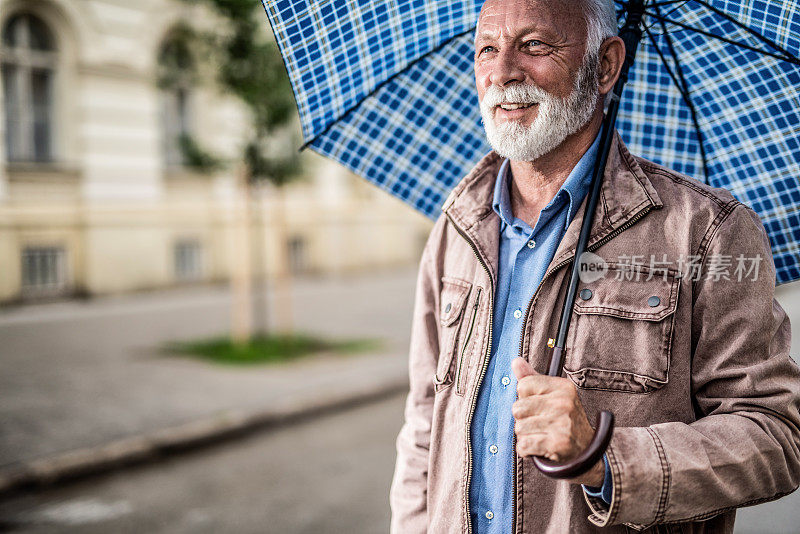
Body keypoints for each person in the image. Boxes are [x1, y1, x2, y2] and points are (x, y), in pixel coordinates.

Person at [389, 0, 800, 532]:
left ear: (605, 66)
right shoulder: (457, 225)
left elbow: (775, 437)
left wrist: (601, 457)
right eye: (487, 48)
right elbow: (425, 422)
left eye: (535, 45)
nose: (503, 71)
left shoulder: (706, 230)